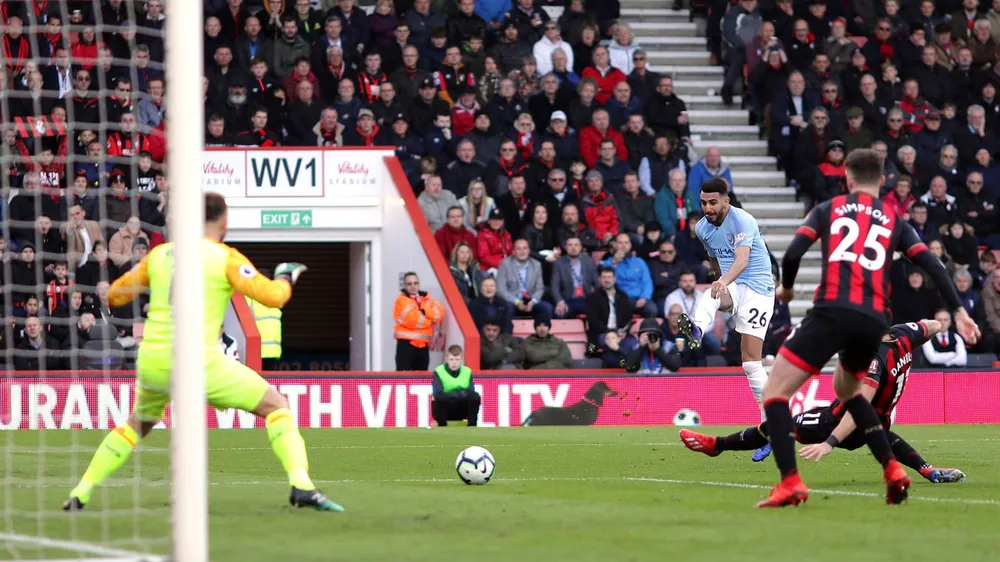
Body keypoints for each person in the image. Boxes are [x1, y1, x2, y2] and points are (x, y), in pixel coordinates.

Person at [63, 193, 343, 512]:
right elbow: (274, 297)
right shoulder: (225, 257)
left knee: (137, 424)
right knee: (277, 405)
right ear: (223, 222)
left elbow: (114, 295)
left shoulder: (161, 255)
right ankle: (301, 485)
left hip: (153, 358)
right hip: (195, 360)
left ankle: (81, 491)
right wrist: (285, 276)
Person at [758, 149, 979, 508]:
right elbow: (933, 265)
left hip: (832, 310)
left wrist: (786, 287)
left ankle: (790, 483)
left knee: (774, 393)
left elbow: (794, 252)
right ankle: (893, 470)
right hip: (875, 320)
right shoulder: (896, 220)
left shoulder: (828, 209)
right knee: (849, 392)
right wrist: (958, 310)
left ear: (846, 177)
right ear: (883, 181)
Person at [681, 319, 966, 485]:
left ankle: (716, 445)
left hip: (839, 421)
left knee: (780, 424)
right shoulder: (903, 336)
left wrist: (828, 443)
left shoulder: (873, 362)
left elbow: (858, 410)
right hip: (879, 424)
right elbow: (934, 325)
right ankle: (928, 470)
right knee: (884, 435)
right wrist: (939, 324)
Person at [677, 178, 776, 462]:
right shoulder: (702, 228)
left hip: (758, 289)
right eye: (704, 203)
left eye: (713, 202)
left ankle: (769, 429)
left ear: (725, 201)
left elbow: (742, 260)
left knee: (750, 363)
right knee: (710, 294)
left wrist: (722, 281)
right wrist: (719, 282)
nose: (707, 208)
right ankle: (696, 328)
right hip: (733, 286)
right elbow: (714, 262)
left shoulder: (743, 220)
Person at [393, 272, 445, 371]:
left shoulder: (427, 299)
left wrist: (424, 311)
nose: (413, 286)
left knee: (422, 381)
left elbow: (439, 314)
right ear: (405, 286)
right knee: (403, 381)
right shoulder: (401, 300)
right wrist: (430, 320)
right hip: (406, 345)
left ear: (419, 284)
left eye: (415, 283)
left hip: (423, 346)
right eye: (409, 284)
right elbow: (413, 320)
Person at [431, 345, 481, 426]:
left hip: (461, 407)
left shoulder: (467, 371)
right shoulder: (439, 371)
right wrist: (459, 393)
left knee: (475, 396)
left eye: (457, 359)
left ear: (461, 359)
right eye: (451, 359)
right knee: (440, 398)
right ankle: (442, 425)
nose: (454, 362)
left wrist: (452, 394)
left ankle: (472, 425)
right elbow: (438, 393)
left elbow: (470, 391)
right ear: (447, 359)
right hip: (446, 407)